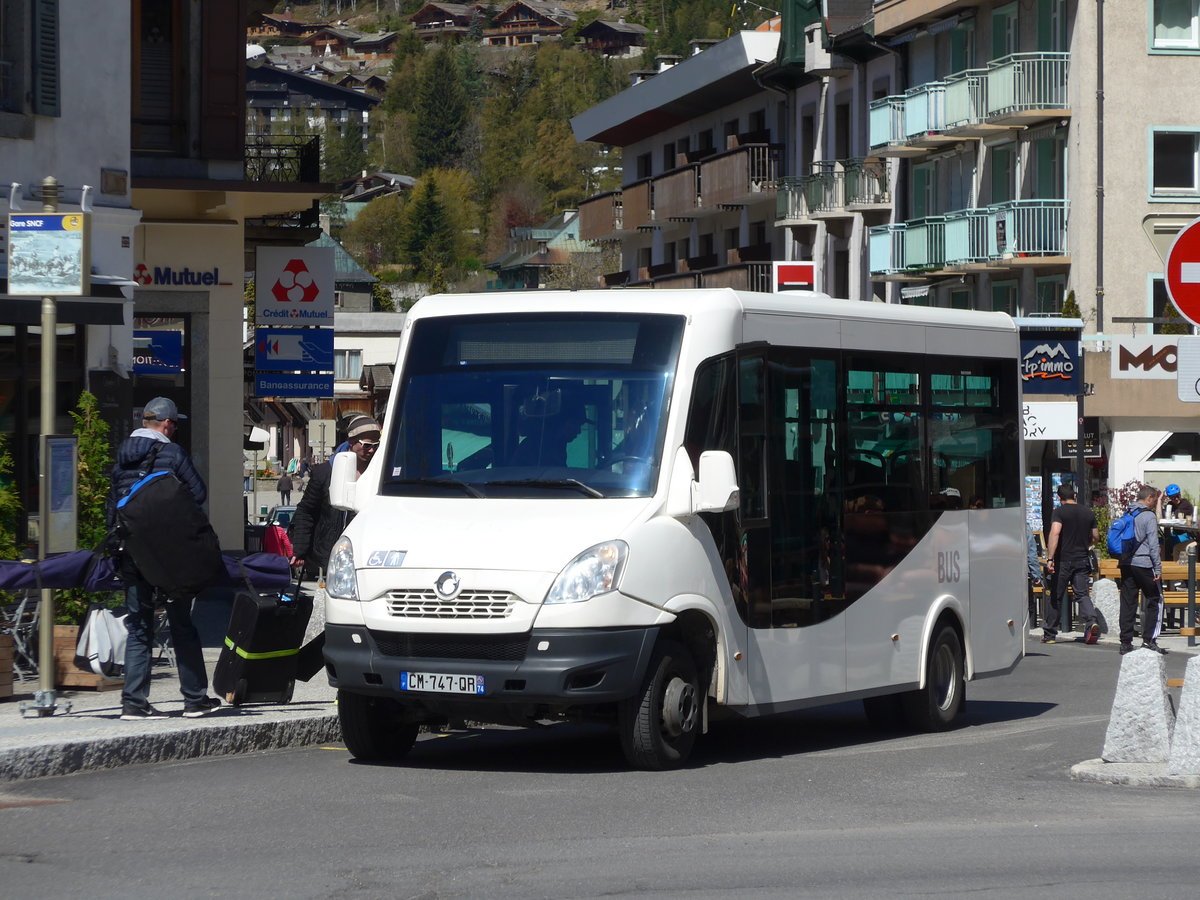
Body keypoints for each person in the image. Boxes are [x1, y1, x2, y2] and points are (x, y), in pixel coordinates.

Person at [108, 397, 222, 720]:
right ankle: (194, 699)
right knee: (181, 623)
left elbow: (112, 507)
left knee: (139, 625)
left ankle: (133, 702)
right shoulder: (172, 454)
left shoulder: (122, 456)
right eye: (175, 424)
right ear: (168, 424)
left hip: (133, 552)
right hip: (171, 554)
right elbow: (197, 493)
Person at [290, 415, 380, 577]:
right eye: (367, 445)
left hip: (365, 560)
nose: (372, 450)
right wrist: (300, 549)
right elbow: (306, 511)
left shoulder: (379, 473)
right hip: (325, 562)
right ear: (351, 442)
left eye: (375, 445)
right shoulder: (324, 472)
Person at [1043, 484, 1100, 645]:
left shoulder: (1059, 512)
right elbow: (1096, 536)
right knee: (1082, 594)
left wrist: (1050, 558)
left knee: (1057, 596)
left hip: (1063, 560)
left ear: (1059, 498)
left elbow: (1055, 533)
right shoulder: (1088, 512)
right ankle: (1091, 622)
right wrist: (1086, 544)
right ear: (1074, 496)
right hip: (1082, 559)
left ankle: (1050, 634)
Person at [1117, 485, 1169, 655]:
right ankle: (1149, 640)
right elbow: (1153, 544)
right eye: (1154, 500)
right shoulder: (1148, 516)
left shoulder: (1128, 512)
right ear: (1149, 498)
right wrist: (1158, 567)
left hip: (1127, 563)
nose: (1154, 503)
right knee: (1155, 599)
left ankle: (1125, 642)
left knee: (1128, 602)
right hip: (1144, 563)